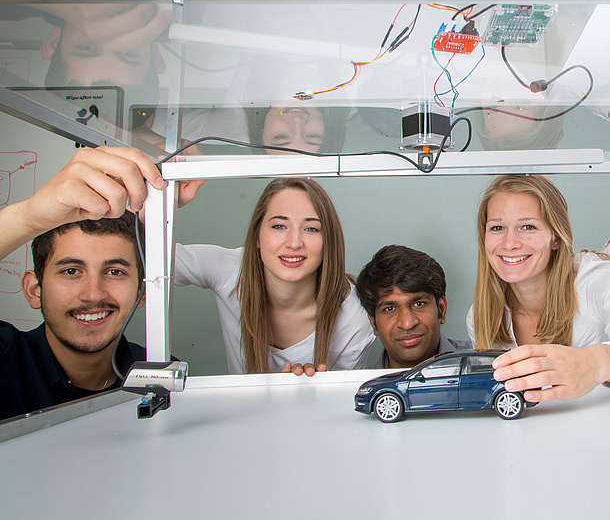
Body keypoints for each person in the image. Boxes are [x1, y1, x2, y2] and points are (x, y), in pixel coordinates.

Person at [0, 147, 166, 420]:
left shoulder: (157, 373)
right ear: (34, 290)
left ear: (142, 292)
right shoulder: (5, 359)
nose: (93, 294)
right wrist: (27, 217)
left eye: (114, 272)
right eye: (71, 271)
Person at [174, 178, 375, 376]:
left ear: (328, 242)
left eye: (311, 228)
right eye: (279, 226)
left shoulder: (354, 318)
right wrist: (165, 202)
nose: (294, 243)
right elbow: (149, 260)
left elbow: (341, 403)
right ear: (257, 236)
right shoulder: (230, 269)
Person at [468, 174, 610, 403]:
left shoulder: (596, 280)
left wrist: (598, 362)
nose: (509, 243)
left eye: (527, 227)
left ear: (555, 237)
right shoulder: (479, 318)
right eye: (497, 228)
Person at [356, 245, 471, 369]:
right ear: (373, 323)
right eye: (390, 309)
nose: (407, 324)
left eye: (418, 304)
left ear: (441, 310)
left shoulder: (486, 364)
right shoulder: (359, 386)